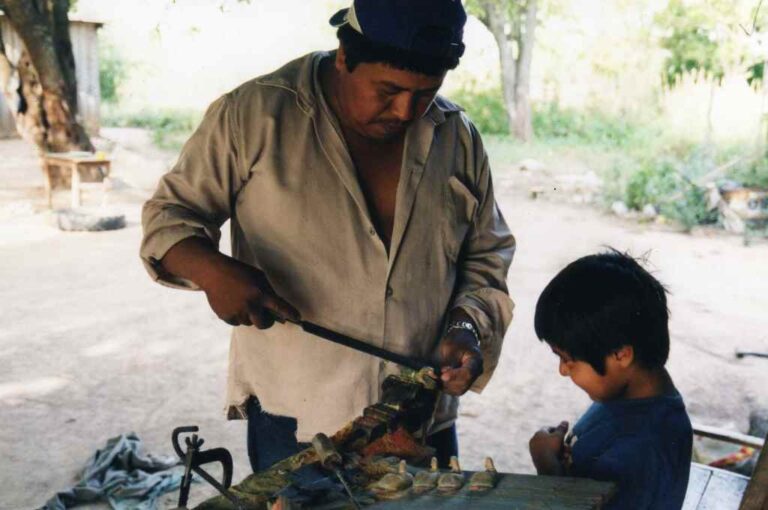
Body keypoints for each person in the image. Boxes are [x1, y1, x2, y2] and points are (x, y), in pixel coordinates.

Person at [140, 0, 515, 472]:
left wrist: (466, 327)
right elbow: (169, 216)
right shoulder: (253, 116)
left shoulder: (457, 137)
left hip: (419, 418)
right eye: (388, 89)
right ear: (344, 56)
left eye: (425, 93)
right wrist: (212, 271)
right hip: (295, 417)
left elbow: (487, 255)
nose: (405, 111)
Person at [528, 250, 692, 509]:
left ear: (621, 355)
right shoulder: (625, 396)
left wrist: (547, 467)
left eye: (568, 359)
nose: (562, 370)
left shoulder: (641, 449)